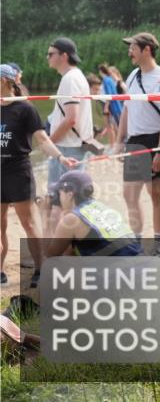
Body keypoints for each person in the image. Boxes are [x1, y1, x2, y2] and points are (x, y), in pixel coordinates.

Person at [1, 65, 79, 287]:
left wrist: (61, 157)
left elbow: (42, 139)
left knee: (28, 223)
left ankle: (39, 268)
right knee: (1, 225)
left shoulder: (25, 109)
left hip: (18, 171)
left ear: (5, 81)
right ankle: (1, 271)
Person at [113, 32, 160, 255]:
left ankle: (158, 244)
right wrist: (120, 140)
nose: (129, 51)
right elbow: (127, 109)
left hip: (155, 139)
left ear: (146, 49)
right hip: (135, 140)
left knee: (155, 193)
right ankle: (136, 242)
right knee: (130, 195)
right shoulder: (132, 76)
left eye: (133, 47)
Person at [45, 170, 141, 258]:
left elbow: (50, 255)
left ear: (70, 194)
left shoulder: (71, 219)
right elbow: (69, 252)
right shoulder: (101, 207)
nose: (58, 197)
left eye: (59, 193)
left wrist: (44, 214)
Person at [45, 37, 94, 181]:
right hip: (74, 144)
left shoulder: (70, 79)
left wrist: (49, 142)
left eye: (51, 54)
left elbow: (71, 119)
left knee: (59, 196)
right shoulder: (76, 75)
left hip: (67, 147)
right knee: (71, 195)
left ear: (64, 55)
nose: (48, 57)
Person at [97, 64, 124, 142]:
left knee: (117, 127)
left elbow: (109, 94)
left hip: (114, 106)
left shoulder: (106, 80)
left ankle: (120, 145)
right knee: (117, 126)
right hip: (117, 105)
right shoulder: (110, 79)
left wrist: (106, 106)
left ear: (101, 71)